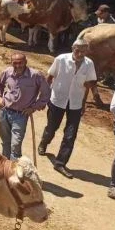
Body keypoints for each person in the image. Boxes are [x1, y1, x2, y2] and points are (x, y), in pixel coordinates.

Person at [39, 38, 97, 178]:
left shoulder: (89, 64)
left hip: (75, 104)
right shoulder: (61, 59)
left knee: (70, 135)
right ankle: (44, 142)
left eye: (83, 51)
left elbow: (88, 85)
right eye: (78, 50)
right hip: (57, 100)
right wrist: (44, 96)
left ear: (87, 51)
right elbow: (49, 77)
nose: (80, 53)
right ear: (73, 48)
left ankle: (60, 163)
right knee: (52, 128)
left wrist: (83, 103)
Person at [0, 53, 50, 160]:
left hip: (21, 115)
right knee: (5, 141)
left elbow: (46, 93)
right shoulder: (7, 72)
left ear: (25, 62)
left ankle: (15, 167)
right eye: (15, 63)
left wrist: (33, 108)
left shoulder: (36, 75)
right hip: (4, 111)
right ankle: (5, 165)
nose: (18, 65)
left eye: (20, 63)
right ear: (11, 63)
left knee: (15, 145)